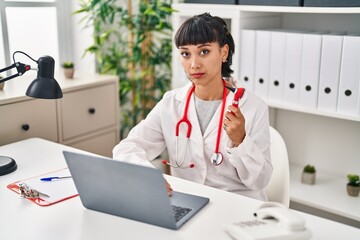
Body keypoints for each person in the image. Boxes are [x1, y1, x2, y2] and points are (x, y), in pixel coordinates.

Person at [113, 12, 272, 201]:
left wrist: (241, 141)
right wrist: (149, 175)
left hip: (239, 204)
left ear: (224, 52)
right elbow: (127, 148)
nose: (194, 64)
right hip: (190, 201)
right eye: (185, 54)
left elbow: (260, 181)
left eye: (204, 51)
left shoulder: (253, 107)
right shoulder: (171, 103)